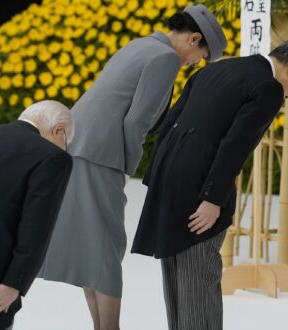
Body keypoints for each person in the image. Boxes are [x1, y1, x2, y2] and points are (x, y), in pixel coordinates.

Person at [37, 4, 227, 330]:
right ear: (194, 38)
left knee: (92, 245)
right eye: (202, 55)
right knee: (106, 248)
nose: (196, 63)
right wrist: (128, 166)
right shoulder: (166, 58)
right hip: (102, 154)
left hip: (77, 145)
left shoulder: (141, 44)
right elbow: (137, 120)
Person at [132, 39, 288, 330]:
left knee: (174, 264)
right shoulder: (268, 87)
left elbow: (171, 119)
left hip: (170, 171)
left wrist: (157, 172)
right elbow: (236, 145)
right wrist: (212, 199)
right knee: (198, 269)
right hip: (199, 181)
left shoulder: (219, 68)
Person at [0, 101, 73, 330]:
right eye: (67, 142)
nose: (65, 148)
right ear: (59, 130)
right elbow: (36, 227)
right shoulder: (52, 157)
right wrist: (14, 284)